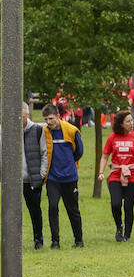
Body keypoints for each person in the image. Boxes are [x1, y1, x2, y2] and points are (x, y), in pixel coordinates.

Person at [98, 109, 134, 243]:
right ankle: (119, 227)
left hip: (132, 175)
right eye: (128, 121)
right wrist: (101, 172)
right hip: (115, 174)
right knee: (115, 203)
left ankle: (127, 234)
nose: (132, 123)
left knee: (128, 206)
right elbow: (104, 156)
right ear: (120, 124)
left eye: (132, 120)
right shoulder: (112, 137)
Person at [41, 103, 84, 249]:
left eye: (51, 118)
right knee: (53, 207)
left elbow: (79, 152)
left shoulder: (71, 131)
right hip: (52, 178)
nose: (48, 122)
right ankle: (55, 241)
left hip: (70, 178)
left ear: (58, 116)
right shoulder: (45, 132)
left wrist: (69, 165)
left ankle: (79, 240)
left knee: (73, 210)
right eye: (46, 119)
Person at [22, 101, 50, 250]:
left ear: (27, 113)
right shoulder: (6, 130)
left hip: (31, 179)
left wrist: (41, 174)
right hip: (13, 180)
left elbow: (44, 153)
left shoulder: (37, 130)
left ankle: (38, 239)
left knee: (35, 210)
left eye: (21, 114)